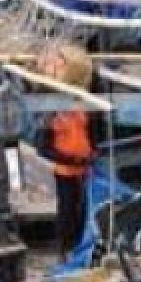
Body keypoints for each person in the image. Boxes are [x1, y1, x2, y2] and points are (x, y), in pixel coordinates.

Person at [41, 108, 93, 259]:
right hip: (65, 172)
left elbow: (89, 136)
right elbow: (44, 149)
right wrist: (70, 160)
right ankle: (64, 247)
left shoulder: (81, 113)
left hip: (85, 171)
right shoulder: (53, 117)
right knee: (67, 210)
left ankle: (80, 244)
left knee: (83, 210)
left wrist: (92, 153)